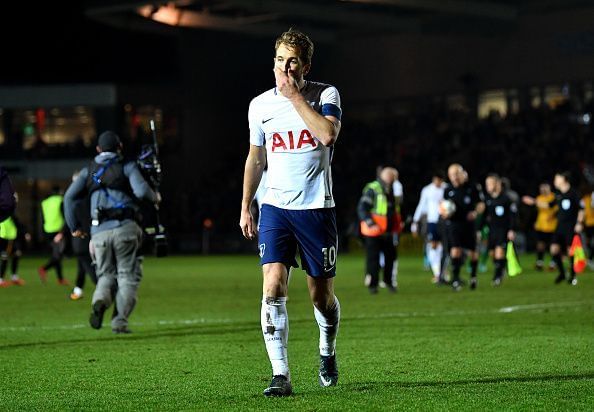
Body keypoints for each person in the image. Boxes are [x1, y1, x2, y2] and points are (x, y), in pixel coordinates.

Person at [239, 28, 342, 397]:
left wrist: (295, 97)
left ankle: (327, 349)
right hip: (276, 208)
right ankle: (280, 374)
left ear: (306, 65)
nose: (284, 67)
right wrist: (246, 204)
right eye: (280, 60)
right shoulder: (259, 105)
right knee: (272, 286)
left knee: (320, 297)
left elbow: (327, 135)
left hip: (316, 209)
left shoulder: (325, 94)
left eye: (292, 61)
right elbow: (256, 157)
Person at [63, 131, 159, 333]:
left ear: (98, 149)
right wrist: (155, 196)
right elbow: (142, 191)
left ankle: (99, 302)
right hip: (125, 228)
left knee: (105, 275)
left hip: (99, 232)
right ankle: (119, 323)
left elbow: (69, 198)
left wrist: (74, 227)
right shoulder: (127, 166)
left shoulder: (88, 170)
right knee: (127, 276)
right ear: (120, 147)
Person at [523, 172, 583, 285]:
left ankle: (573, 276)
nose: (555, 181)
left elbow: (581, 209)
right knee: (554, 250)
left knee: (571, 251)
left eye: (557, 179)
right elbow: (549, 205)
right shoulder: (558, 194)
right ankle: (562, 273)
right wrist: (534, 201)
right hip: (560, 226)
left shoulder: (573, 193)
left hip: (571, 226)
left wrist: (579, 223)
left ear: (564, 180)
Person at [441, 164, 485, 291]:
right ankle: (456, 280)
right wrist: (444, 213)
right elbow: (444, 206)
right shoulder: (447, 190)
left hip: (469, 224)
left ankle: (473, 277)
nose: (454, 177)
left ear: (462, 174)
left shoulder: (473, 187)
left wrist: (475, 213)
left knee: (473, 252)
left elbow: (481, 204)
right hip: (454, 224)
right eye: (451, 175)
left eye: (456, 174)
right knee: (455, 250)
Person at [358, 167, 399, 294]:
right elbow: (362, 208)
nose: (394, 181)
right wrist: (371, 223)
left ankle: (388, 282)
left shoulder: (389, 188)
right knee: (373, 259)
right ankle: (373, 285)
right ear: (386, 177)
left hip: (387, 230)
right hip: (374, 231)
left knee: (390, 257)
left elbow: (391, 210)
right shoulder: (373, 188)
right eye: (393, 178)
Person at [411, 171, 446, 283]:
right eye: (436, 180)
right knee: (433, 245)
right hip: (432, 221)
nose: (437, 183)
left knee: (444, 247)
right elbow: (421, 204)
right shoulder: (427, 190)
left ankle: (442, 271)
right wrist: (415, 221)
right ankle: (437, 272)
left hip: (445, 221)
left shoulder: (446, 188)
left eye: (439, 181)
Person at [483, 174, 517, 286]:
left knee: (499, 252)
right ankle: (502, 267)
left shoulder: (506, 199)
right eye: (487, 184)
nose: (488, 186)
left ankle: (497, 278)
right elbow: (485, 216)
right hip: (492, 230)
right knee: (493, 254)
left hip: (503, 230)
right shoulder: (488, 199)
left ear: (497, 184)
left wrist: (511, 230)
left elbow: (513, 216)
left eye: (490, 184)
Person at [68, 170, 97, 301]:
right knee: (83, 266)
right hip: (88, 238)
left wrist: (74, 229)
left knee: (89, 266)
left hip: (83, 240)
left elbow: (70, 222)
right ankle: (78, 290)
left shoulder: (74, 201)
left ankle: (104, 289)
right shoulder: (89, 198)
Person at [522, 182, 557, 271]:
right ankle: (539, 262)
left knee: (553, 245)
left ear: (549, 188)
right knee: (540, 244)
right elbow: (536, 211)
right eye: (541, 188)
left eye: (545, 188)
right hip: (541, 226)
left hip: (552, 226)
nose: (543, 190)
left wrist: (533, 201)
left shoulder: (554, 197)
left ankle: (553, 263)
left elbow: (551, 207)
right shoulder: (539, 198)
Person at [39, 185, 69, 285]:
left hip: (47, 231)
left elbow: (42, 219)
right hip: (57, 231)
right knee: (58, 255)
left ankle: (60, 279)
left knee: (56, 255)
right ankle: (44, 268)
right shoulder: (61, 200)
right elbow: (66, 217)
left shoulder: (44, 202)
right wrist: (61, 232)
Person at [0, 195, 30, 287]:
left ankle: (14, 277)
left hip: (11, 237)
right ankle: (1, 280)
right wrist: (25, 233)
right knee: (5, 258)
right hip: (5, 237)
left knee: (16, 254)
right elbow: (17, 223)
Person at [580, 189, 594, 268]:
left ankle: (590, 259)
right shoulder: (584, 199)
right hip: (587, 225)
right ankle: (588, 259)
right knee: (587, 243)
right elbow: (582, 211)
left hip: (590, 224)